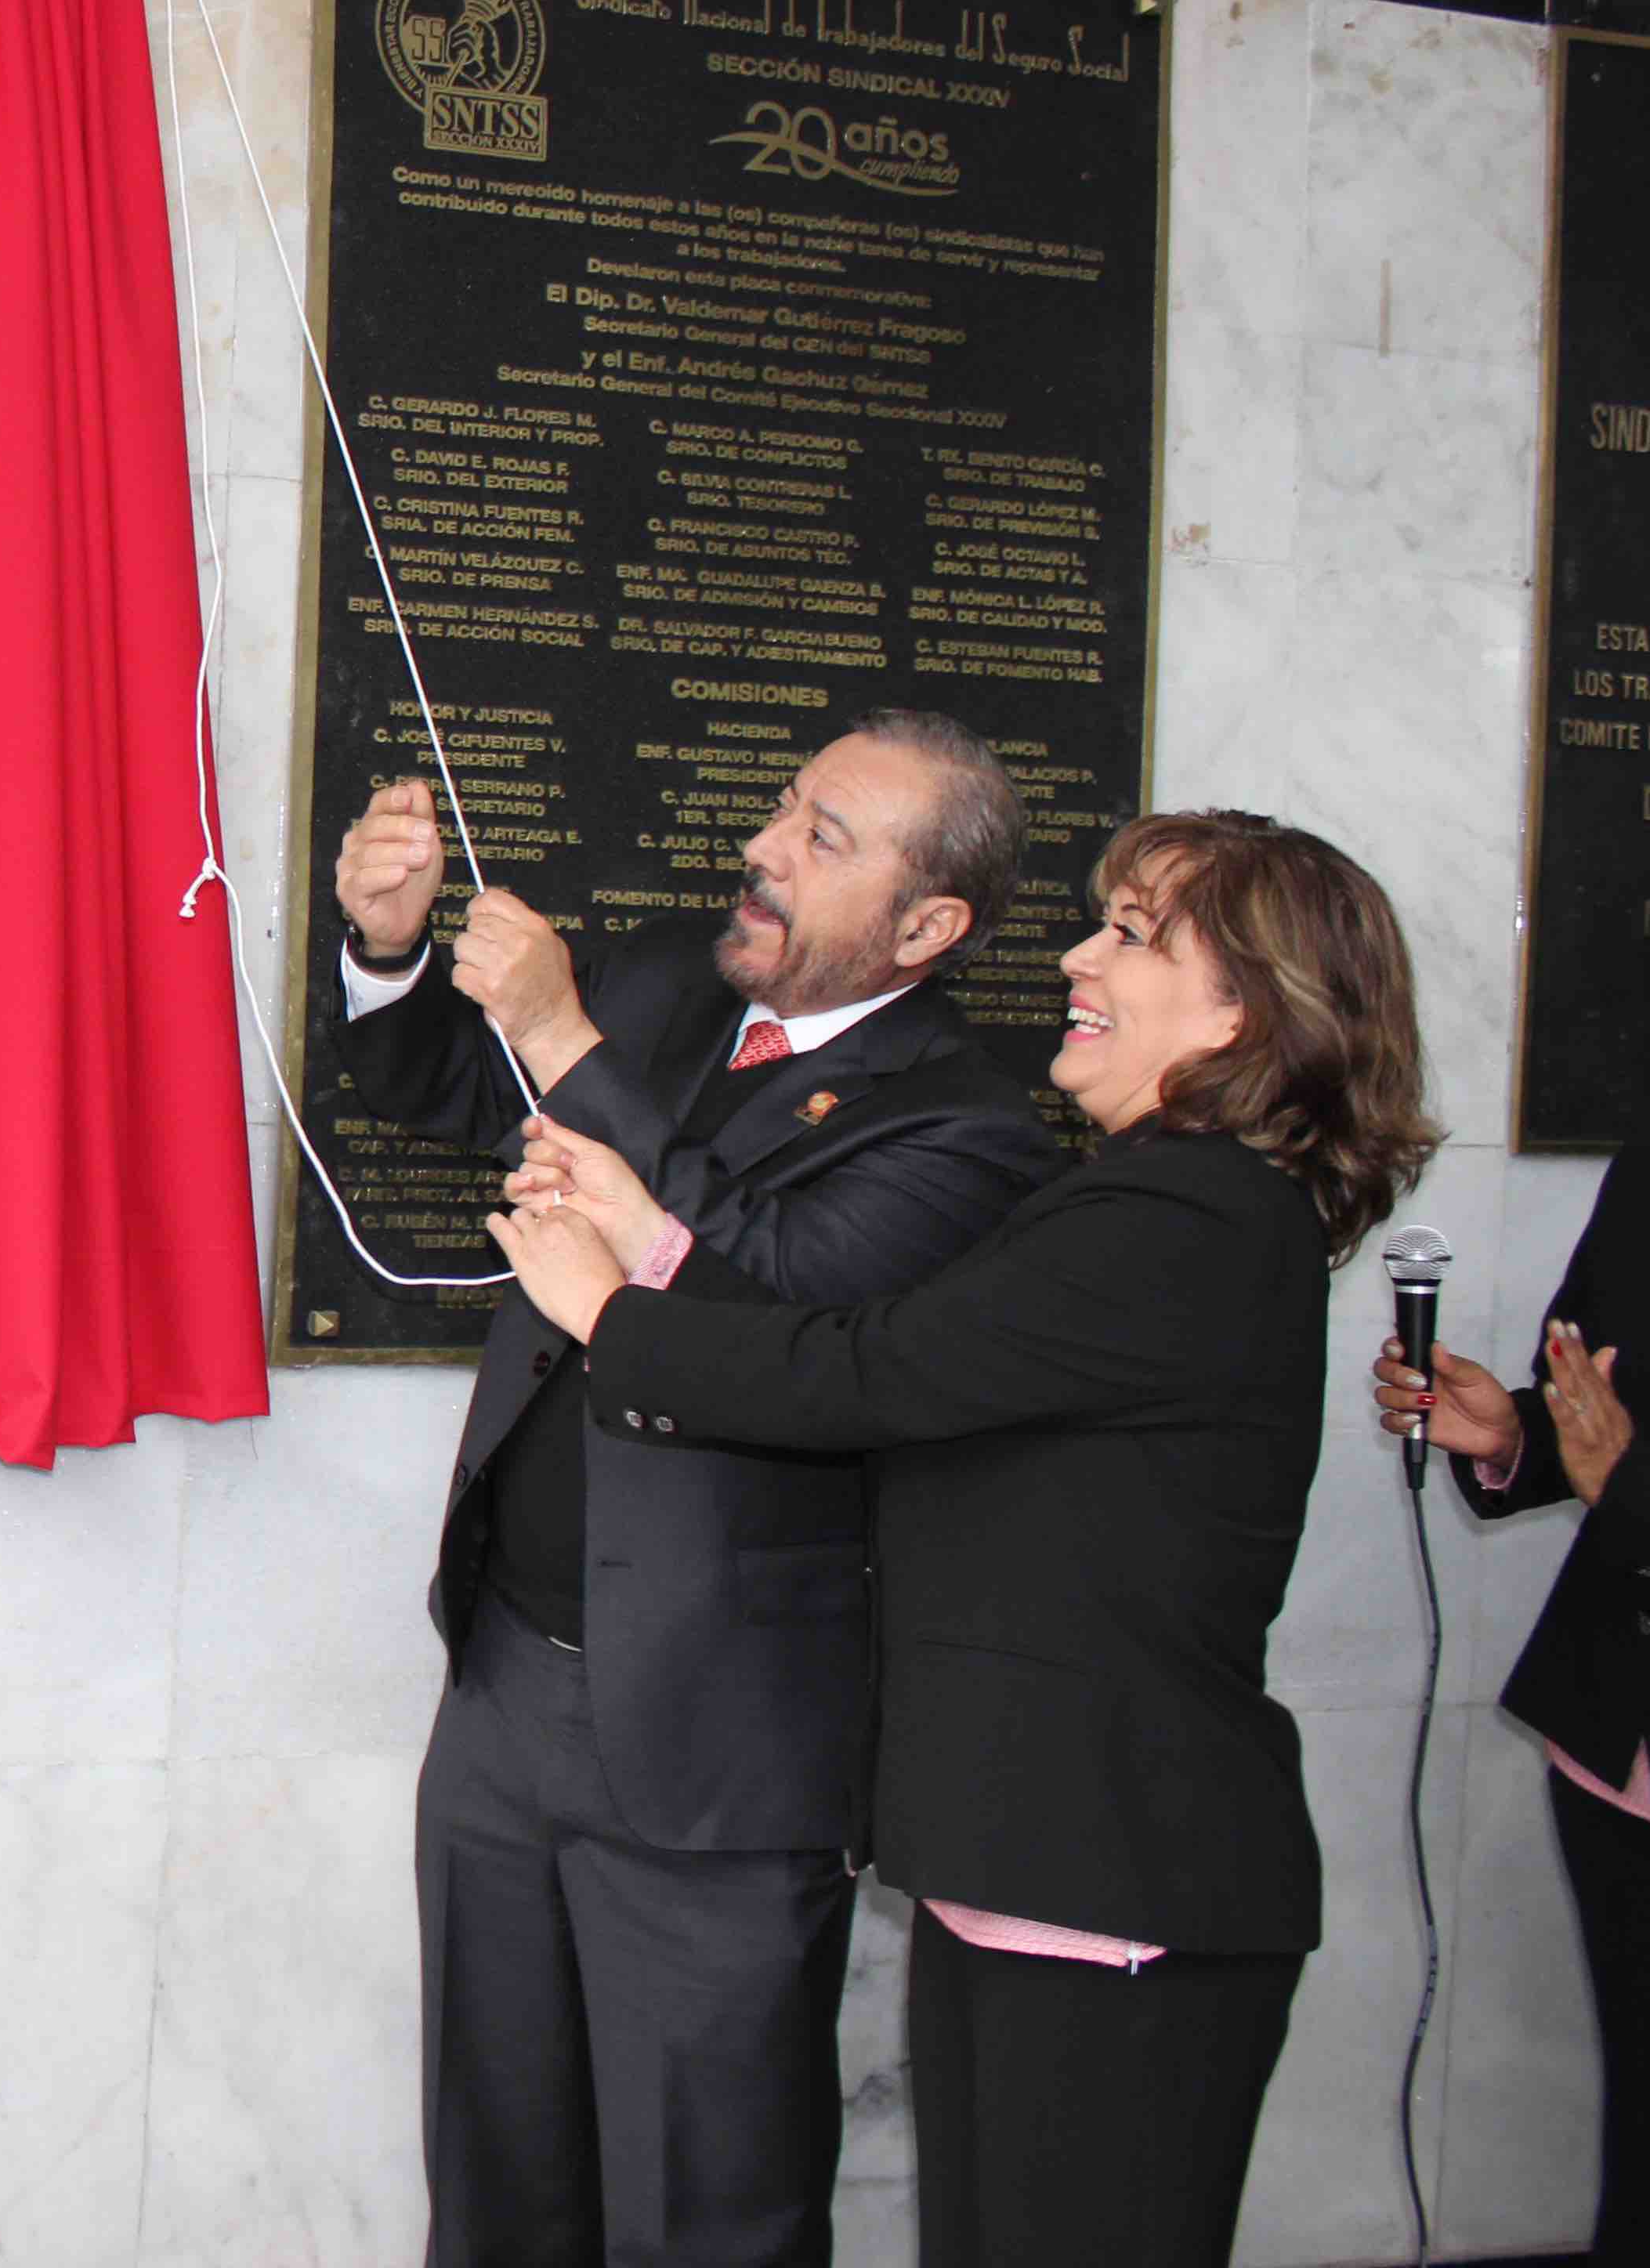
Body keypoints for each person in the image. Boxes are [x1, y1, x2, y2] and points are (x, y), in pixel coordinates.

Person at [487, 808, 1438, 2268]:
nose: (1076, 958)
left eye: (1132, 936)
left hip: (1115, 1876)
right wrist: (655, 1240)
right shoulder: (1143, 1196)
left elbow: (869, 1376)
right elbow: (903, 1361)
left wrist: (613, 1312)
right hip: (1033, 1865)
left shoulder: (1187, 1214)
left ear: (1243, 1008)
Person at [329, 711, 1062, 2267]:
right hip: (511, 1682)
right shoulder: (675, 981)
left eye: (824, 839)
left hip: (717, 1743)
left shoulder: (969, 1126)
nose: (763, 849)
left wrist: (565, 1046)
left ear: (927, 927)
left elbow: (782, 1299)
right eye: (784, 807)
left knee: (704, 2202)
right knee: (498, 2168)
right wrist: (389, 952)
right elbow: (450, 1084)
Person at [1377, 1133, 1650, 2268]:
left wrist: (1644, 1491)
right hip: (1630, 1747)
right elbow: (1612, 1410)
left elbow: (1644, 1473)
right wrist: (1518, 1436)